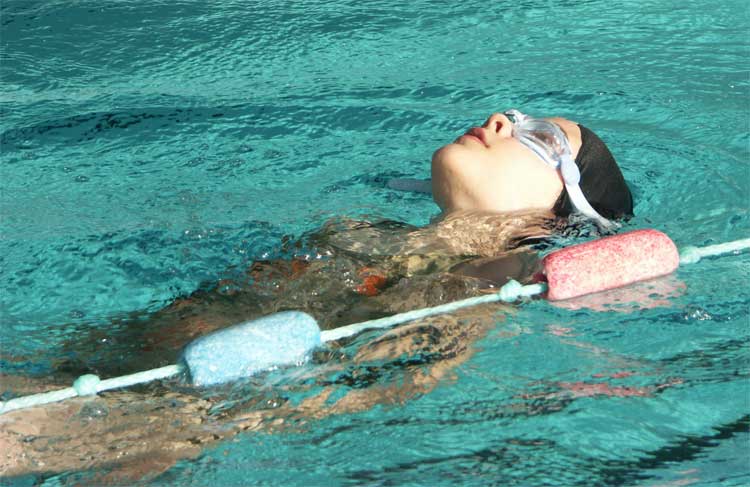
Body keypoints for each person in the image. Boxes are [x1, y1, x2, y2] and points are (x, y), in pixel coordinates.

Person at [1, 109, 635, 481]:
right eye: (515, 118)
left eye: (541, 139)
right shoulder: (358, 233)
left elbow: (396, 381)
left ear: (561, 208)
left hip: (179, 422)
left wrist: (170, 431)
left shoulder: (499, 280)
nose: (499, 119)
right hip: (101, 372)